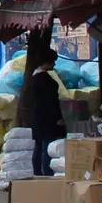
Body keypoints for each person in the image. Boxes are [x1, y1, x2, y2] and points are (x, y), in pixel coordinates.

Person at [18, 30, 64, 180]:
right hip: (47, 118)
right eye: (52, 61)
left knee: (38, 146)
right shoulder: (45, 80)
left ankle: (37, 172)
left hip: (36, 117)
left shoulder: (33, 78)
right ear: (47, 61)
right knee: (47, 147)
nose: (54, 64)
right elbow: (50, 101)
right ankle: (47, 174)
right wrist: (58, 118)